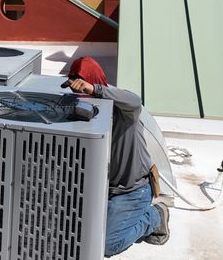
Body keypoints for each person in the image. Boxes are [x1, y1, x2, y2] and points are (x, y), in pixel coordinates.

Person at [66, 56, 169, 257]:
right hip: (104, 191)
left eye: (81, 88)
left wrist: (96, 90)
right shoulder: (84, 111)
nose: (77, 94)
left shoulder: (123, 111)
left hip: (131, 191)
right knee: (74, 232)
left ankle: (155, 216)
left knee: (105, 245)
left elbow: (135, 100)